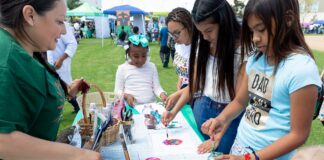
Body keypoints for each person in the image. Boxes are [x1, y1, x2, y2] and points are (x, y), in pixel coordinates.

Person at [201, 0, 322, 159]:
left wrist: (251, 158)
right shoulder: (255, 60)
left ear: (288, 19)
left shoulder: (302, 69)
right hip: (240, 146)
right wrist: (221, 119)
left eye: (261, 29)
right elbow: (240, 102)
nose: (255, 39)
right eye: (251, 31)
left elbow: (298, 135)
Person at [0, 0, 100, 159]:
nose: (64, 30)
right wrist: (76, 155)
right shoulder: (6, 60)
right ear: (30, 15)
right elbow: (3, 140)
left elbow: (31, 93)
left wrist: (68, 91)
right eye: (59, 21)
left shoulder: (25, 49)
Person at [162, 0, 245, 154]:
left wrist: (219, 133)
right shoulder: (202, 44)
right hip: (202, 107)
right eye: (201, 32)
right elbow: (194, 85)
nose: (205, 37)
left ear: (224, 22)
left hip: (229, 117)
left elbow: (238, 101)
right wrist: (174, 112)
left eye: (209, 30)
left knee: (220, 155)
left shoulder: (242, 50)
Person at [114, 35, 168, 107]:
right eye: (136, 56)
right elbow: (117, 90)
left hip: (151, 106)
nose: (140, 60)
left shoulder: (151, 67)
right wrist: (126, 96)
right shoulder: (122, 69)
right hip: (132, 108)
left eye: (144, 56)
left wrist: (162, 94)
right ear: (129, 54)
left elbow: (157, 87)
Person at [47, 22, 80, 113]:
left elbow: (72, 44)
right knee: (52, 89)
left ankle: (77, 106)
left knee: (65, 88)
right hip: (47, 63)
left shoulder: (61, 24)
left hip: (60, 65)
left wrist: (61, 59)